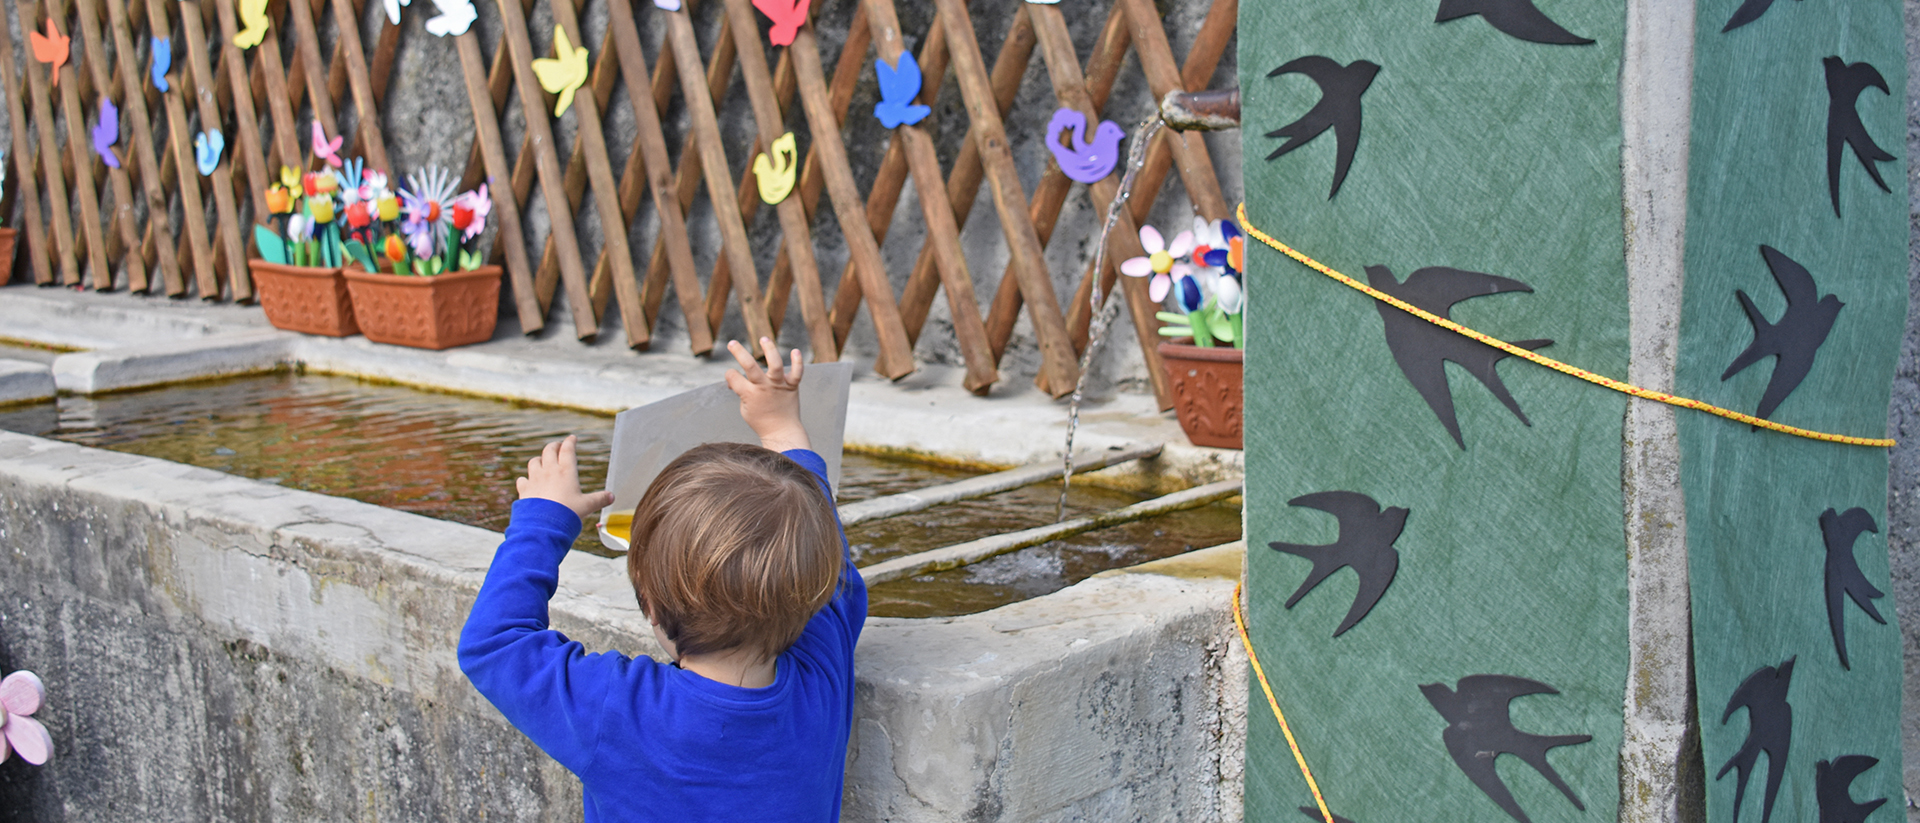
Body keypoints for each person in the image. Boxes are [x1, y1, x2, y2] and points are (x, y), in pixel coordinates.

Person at [458, 337, 865, 822]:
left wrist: (543, 520)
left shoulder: (620, 712)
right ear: (812, 591)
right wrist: (782, 427)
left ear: (649, 604)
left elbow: (494, 644)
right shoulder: (822, 673)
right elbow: (831, 562)